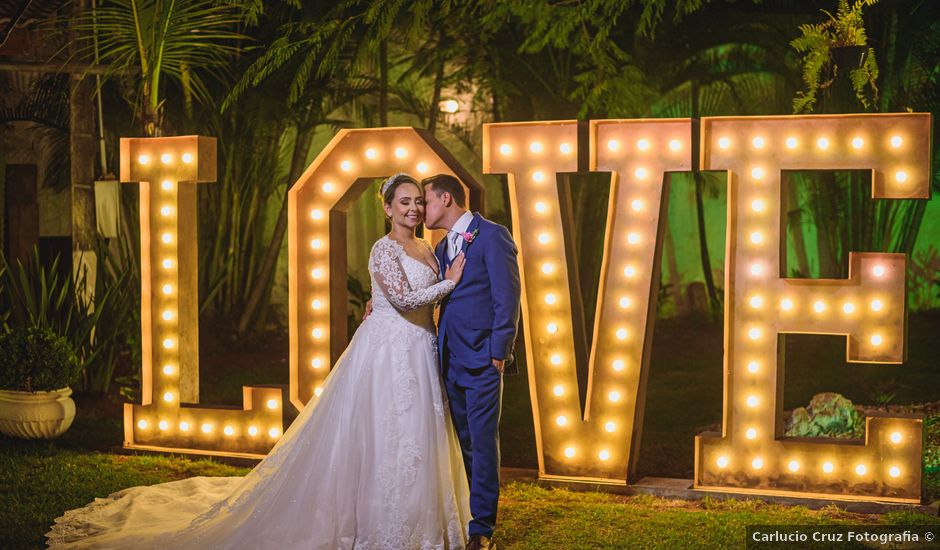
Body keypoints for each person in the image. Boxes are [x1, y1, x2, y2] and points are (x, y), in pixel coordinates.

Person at [46, 173, 472, 549]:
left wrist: (429, 289)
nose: (414, 208)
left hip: (419, 349)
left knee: (415, 434)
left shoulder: (427, 248)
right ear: (386, 206)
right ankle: (375, 527)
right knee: (380, 434)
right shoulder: (384, 248)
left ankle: (419, 524)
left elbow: (403, 300)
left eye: (419, 201)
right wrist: (448, 285)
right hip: (386, 354)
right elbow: (400, 298)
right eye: (405, 201)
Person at [422, 174, 521, 550]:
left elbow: (507, 295)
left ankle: (481, 528)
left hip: (482, 358)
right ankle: (465, 512)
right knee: (463, 441)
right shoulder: (442, 244)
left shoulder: (492, 235)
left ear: (446, 199)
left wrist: (499, 350)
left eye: (426, 201)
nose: (421, 210)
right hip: (448, 359)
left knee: (482, 441)